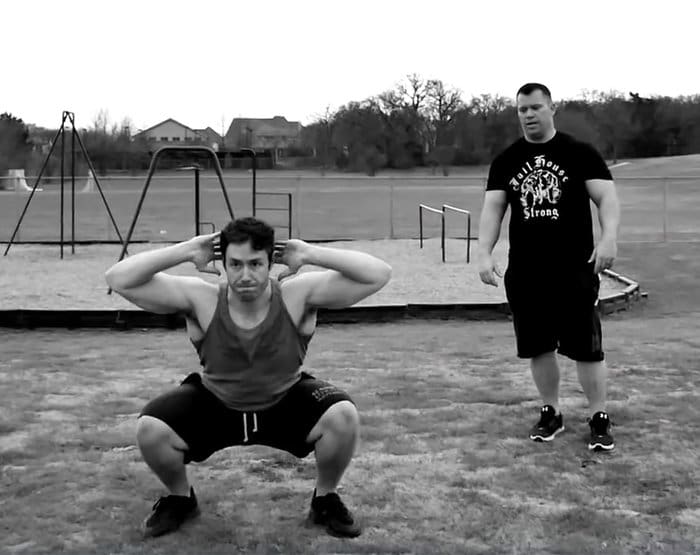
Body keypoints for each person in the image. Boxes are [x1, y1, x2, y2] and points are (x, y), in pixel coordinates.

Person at [105, 217, 392, 539]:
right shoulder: (202, 298)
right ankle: (180, 498)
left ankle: (326, 498)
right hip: (216, 402)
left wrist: (309, 253)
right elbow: (118, 278)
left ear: (271, 262)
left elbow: (379, 274)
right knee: (151, 428)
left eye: (256, 264)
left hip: (285, 400)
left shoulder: (297, 294)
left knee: (343, 415)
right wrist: (187, 250)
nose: (245, 275)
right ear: (223, 263)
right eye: (235, 264)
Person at [476, 83, 620, 452]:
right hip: (526, 271)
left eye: (535, 107)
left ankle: (598, 416)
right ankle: (551, 411)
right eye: (522, 109)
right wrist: (484, 252)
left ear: (551, 108)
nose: (528, 115)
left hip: (574, 267)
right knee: (538, 346)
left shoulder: (579, 153)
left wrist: (608, 239)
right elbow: (493, 209)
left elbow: (606, 198)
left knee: (587, 347)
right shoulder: (507, 159)